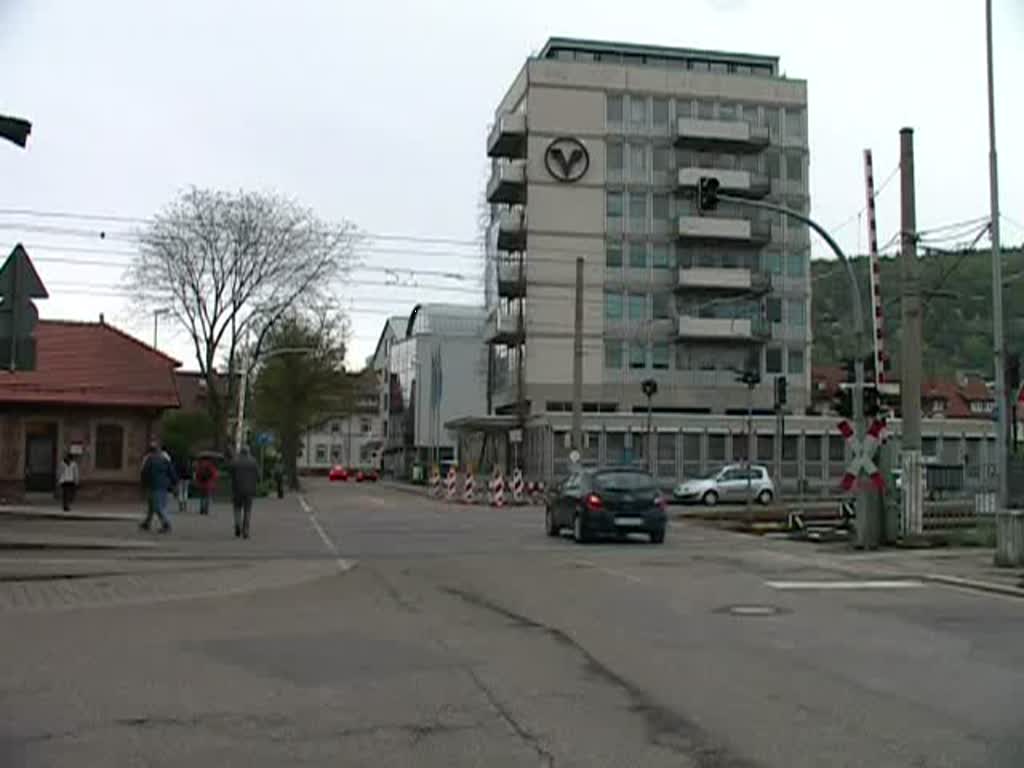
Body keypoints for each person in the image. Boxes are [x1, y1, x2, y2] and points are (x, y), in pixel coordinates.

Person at [140, 441, 177, 533]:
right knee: (152, 506)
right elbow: (171, 471)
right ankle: (147, 522)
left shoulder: (149, 459)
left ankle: (166, 524)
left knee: (157, 507)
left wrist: (143, 484)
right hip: (163, 485)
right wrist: (174, 482)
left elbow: (145, 472)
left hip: (154, 485)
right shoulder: (164, 459)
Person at [230, 446, 260, 539]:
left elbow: (231, 473)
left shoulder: (235, 462)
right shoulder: (253, 462)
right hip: (249, 490)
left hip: (237, 489)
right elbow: (258, 476)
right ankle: (246, 531)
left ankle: (237, 524)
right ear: (248, 452)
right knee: (247, 510)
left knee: (237, 508)